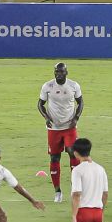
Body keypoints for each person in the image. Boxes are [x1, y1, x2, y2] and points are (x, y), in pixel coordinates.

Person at [38, 62, 83, 203]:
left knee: (72, 152)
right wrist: (46, 117)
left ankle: (75, 187)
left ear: (66, 73)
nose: (59, 74)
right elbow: (40, 104)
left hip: (69, 127)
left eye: (62, 72)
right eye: (57, 72)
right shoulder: (48, 86)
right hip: (54, 129)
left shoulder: (74, 86)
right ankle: (57, 191)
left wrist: (76, 118)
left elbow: (80, 102)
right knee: (54, 158)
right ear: (54, 73)